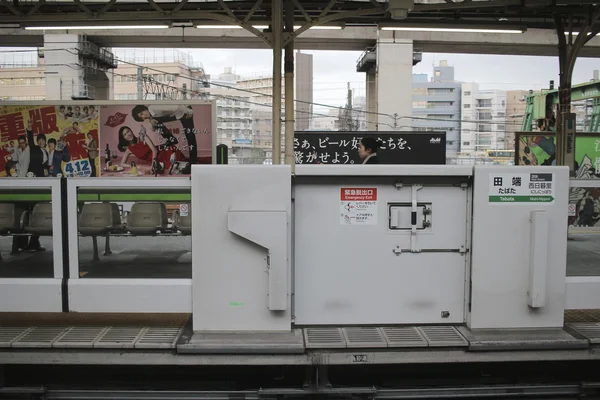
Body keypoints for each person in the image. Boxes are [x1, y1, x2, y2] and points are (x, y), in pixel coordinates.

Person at [131, 104, 198, 163]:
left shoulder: (154, 108)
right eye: (141, 117)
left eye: (142, 114)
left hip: (184, 111)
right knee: (155, 122)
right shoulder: (152, 116)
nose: (143, 117)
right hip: (176, 114)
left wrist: (190, 112)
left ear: (144, 109)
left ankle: (193, 161)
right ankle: (171, 139)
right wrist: (151, 121)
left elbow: (176, 107)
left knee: (190, 136)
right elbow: (153, 129)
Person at [118, 126, 184, 173]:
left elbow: (154, 150)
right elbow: (122, 164)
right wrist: (138, 166)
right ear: (123, 138)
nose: (128, 134)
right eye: (125, 134)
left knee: (181, 168)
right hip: (158, 160)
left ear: (131, 131)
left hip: (166, 153)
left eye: (128, 131)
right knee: (175, 169)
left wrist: (152, 166)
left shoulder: (143, 137)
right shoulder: (129, 149)